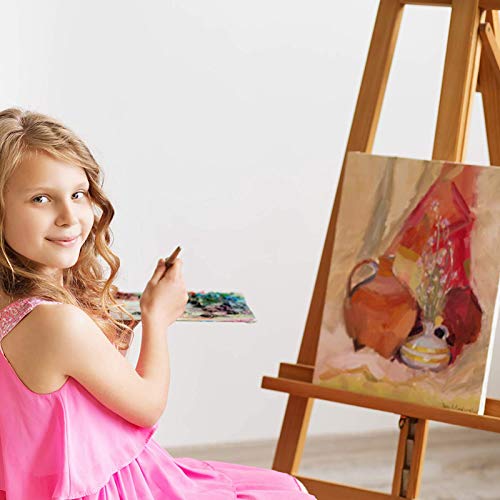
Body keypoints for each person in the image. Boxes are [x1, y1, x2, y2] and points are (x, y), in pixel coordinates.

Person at [0, 107, 314, 499]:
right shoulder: (56, 323)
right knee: (284, 492)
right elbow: (147, 406)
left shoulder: (22, 309)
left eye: (78, 194)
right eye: (41, 198)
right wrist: (156, 319)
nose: (69, 216)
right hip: (116, 488)